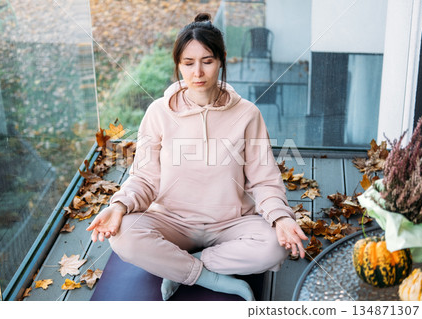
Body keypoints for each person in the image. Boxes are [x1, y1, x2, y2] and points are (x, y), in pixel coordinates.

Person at [86, 13, 307, 301]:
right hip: (172, 222)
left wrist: (280, 218)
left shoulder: (248, 114)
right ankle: (207, 276)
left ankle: (181, 266)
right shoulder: (158, 113)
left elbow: (264, 180)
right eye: (188, 64)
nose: (197, 73)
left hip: (230, 223)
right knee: (124, 235)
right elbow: (144, 178)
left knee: (274, 247)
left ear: (222, 59)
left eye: (207, 61)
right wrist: (119, 206)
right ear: (178, 65)